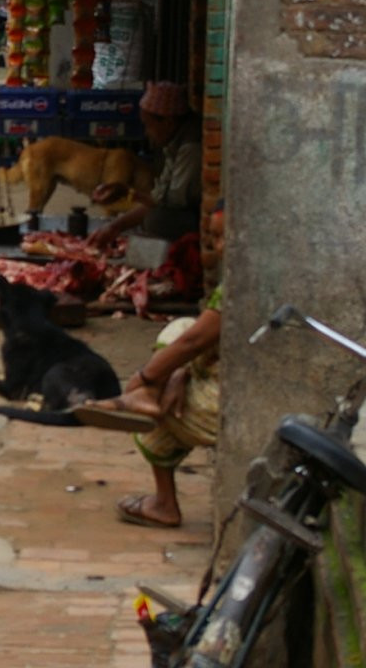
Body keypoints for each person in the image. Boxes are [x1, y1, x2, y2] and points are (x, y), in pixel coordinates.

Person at [78, 207, 227, 529]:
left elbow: (195, 343)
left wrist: (143, 377)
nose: (220, 246)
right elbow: (194, 340)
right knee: (179, 329)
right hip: (224, 375)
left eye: (227, 236)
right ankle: (151, 392)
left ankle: (164, 503)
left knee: (159, 410)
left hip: (231, 402)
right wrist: (175, 372)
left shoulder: (240, 289)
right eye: (214, 237)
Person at [86, 82, 202, 251]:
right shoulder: (173, 143)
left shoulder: (190, 148)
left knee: (157, 219)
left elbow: (170, 203)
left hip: (199, 219)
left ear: (168, 122)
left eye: (148, 125)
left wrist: (129, 194)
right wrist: (115, 226)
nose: (147, 132)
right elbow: (158, 197)